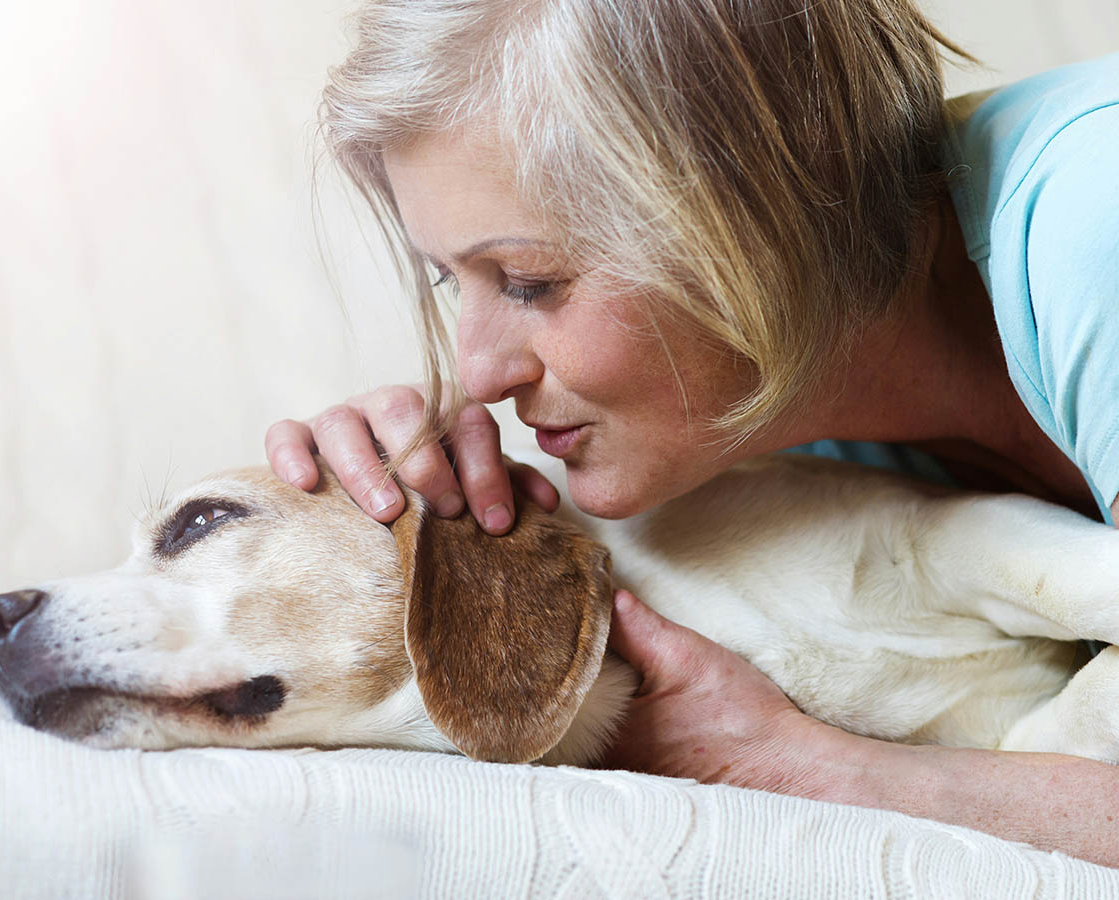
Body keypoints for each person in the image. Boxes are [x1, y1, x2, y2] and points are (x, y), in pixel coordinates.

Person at [264, 0, 1118, 866]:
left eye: (529, 281)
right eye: (454, 281)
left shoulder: (1099, 225)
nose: (478, 373)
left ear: (761, 209)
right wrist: (387, 521)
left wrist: (798, 769)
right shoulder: (771, 426)